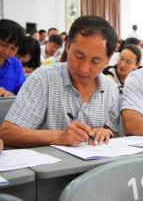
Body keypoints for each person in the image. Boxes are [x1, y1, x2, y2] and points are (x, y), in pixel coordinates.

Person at [0, 16, 120, 148]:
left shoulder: (111, 89)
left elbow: (112, 132)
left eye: (95, 61)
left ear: (108, 59)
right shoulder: (43, 79)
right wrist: (59, 136)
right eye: (78, 56)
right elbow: (7, 133)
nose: (84, 69)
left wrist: (104, 133)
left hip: (93, 166)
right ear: (67, 46)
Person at [0, 19, 26, 96]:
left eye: (13, 49)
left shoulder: (15, 64)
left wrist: (11, 96)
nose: (7, 52)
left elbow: (24, 95)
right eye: (3, 45)